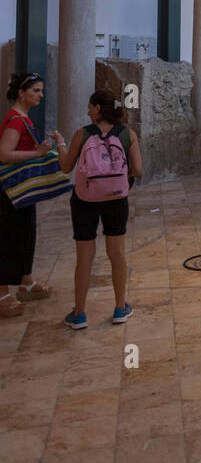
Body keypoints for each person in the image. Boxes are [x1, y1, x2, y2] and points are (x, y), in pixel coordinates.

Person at [57, 90, 142, 329]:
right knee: (117, 253)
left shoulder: (82, 134)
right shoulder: (127, 134)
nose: (87, 111)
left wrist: (61, 145)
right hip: (116, 199)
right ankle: (120, 307)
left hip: (85, 199)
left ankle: (80, 313)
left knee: (84, 256)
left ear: (97, 109)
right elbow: (137, 168)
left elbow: (65, 167)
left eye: (89, 106)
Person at [0, 72, 61, 318]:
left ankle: (26, 281)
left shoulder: (23, 117)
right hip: (10, 190)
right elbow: (4, 154)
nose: (40, 95)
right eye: (36, 90)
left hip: (23, 188)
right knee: (7, 238)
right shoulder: (15, 120)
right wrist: (37, 154)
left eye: (41, 90)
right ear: (21, 93)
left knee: (26, 234)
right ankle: (3, 294)